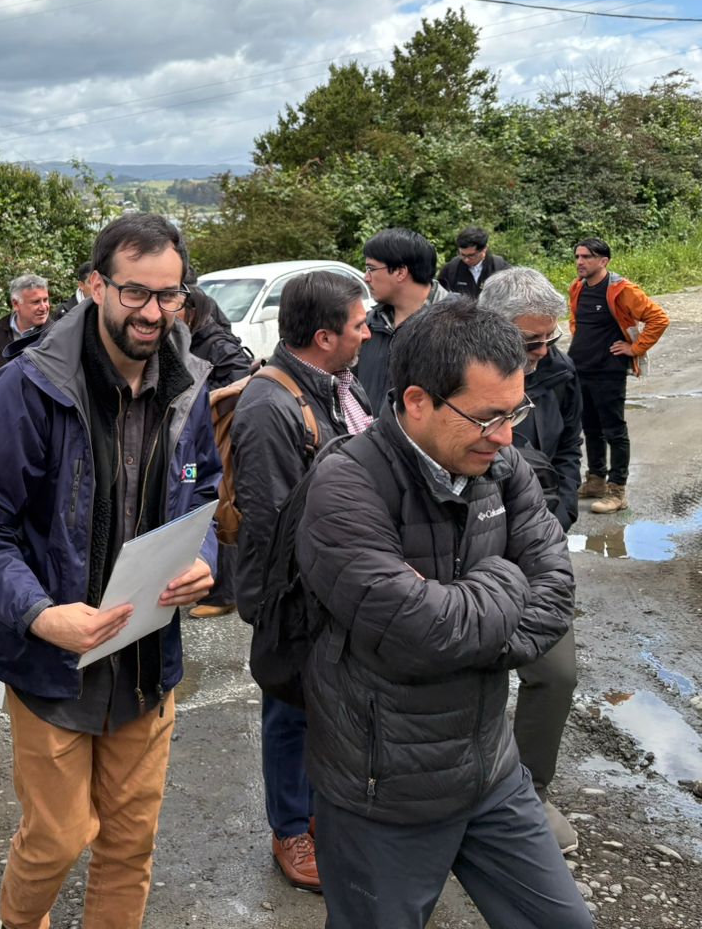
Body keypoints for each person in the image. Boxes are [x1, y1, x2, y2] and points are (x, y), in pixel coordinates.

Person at [0, 212, 220, 929]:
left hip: (145, 656)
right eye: (136, 293)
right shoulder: (27, 388)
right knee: (59, 837)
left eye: (169, 295)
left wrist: (206, 558)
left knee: (132, 840)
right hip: (51, 661)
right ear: (95, 286)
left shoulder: (187, 383)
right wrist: (40, 614)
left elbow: (206, 488)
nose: (153, 312)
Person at [297, 299, 586, 929]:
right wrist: (504, 581)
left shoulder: (501, 466)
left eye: (517, 411)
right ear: (417, 401)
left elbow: (555, 591)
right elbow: (421, 632)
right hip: (383, 788)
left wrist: (472, 624)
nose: (507, 435)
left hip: (490, 767)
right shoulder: (347, 486)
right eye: (487, 418)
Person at [230, 270, 372, 892]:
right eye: (360, 325)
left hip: (335, 585)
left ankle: (321, 814)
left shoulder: (339, 385)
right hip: (293, 594)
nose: (369, 334)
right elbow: (273, 522)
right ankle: (290, 829)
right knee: (290, 710)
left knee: (329, 708)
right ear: (323, 336)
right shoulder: (269, 405)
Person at [478, 266, 584, 854]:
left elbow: (570, 445)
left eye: (549, 340)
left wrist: (562, 511)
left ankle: (529, 792)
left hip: (541, 544)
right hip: (473, 548)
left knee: (555, 672)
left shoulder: (558, 370)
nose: (542, 353)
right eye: (529, 343)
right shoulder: (456, 376)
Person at [568, 237, 670, 514]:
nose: (580, 262)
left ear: (603, 261)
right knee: (590, 427)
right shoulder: (577, 287)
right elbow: (577, 323)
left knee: (614, 430)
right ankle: (596, 481)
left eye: (586, 257)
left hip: (609, 371)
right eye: (577, 256)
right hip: (581, 368)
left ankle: (617, 492)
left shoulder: (622, 289)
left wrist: (635, 347)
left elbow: (658, 318)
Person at [181, 284, 253, 618]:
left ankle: (225, 594)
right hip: (197, 435)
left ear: (193, 311)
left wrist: (208, 398)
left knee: (220, 508)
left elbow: (241, 385)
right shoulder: (188, 340)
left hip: (221, 437)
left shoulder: (217, 344)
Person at [356, 227, 450, 412]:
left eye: (371, 269)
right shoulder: (368, 325)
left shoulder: (458, 326)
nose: (366, 278)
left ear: (400, 272)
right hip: (370, 439)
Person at [0, 273, 51, 375]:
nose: (44, 307)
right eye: (36, 302)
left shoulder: (55, 334)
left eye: (45, 300)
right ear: (16, 304)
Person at [438, 226, 511, 299]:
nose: (466, 259)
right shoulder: (451, 268)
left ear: (484, 249)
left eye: (471, 255)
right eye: (462, 255)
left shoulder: (500, 267)